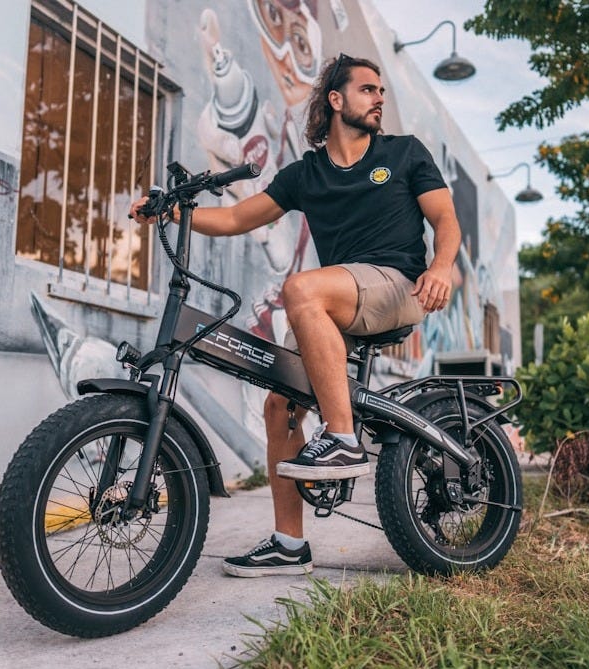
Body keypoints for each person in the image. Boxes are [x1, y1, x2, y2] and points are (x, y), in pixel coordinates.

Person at [130, 54, 462, 577]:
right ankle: (289, 545)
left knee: (301, 289)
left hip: (399, 285)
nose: (379, 99)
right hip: (340, 301)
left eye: (381, 91)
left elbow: (445, 218)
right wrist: (172, 210)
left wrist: (441, 266)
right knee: (279, 405)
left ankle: (342, 437)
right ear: (336, 100)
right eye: (368, 90)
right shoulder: (306, 174)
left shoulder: (404, 154)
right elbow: (240, 215)